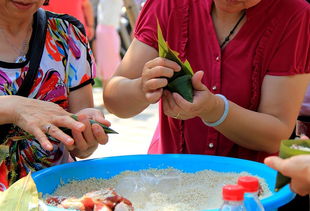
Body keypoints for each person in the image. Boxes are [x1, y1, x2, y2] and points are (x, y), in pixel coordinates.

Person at [103, 0, 310, 164]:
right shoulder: (169, 4)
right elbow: (114, 100)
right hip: (169, 178)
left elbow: (276, 134)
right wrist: (141, 88)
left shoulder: (293, 14)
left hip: (249, 189)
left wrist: (215, 110)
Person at [0, 0, 111, 191]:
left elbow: (78, 144)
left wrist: (84, 133)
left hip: (54, 194)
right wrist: (12, 108)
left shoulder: (67, 34)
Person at [95, 0, 123, 83]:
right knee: (110, 67)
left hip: (106, 29)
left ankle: (108, 91)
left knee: (109, 65)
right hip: (107, 30)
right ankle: (110, 92)